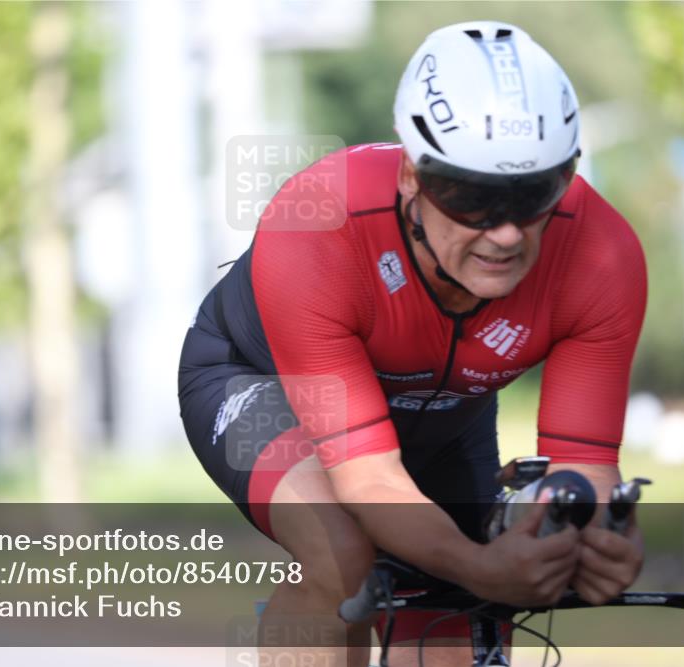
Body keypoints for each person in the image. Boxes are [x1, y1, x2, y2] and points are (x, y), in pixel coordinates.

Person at [178, 20, 646, 667]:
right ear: (410, 177)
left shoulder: (602, 255)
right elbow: (370, 478)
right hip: (258, 380)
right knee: (342, 552)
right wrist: (483, 566)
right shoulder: (320, 221)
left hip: (442, 408)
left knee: (457, 603)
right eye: (470, 195)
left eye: (534, 192)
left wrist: (593, 536)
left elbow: (584, 462)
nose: (506, 233)